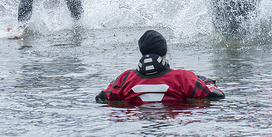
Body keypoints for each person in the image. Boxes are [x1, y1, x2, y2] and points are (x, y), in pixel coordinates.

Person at [96, 30, 225, 103]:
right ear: (165, 53)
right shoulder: (183, 78)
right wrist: (206, 81)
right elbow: (217, 95)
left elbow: (101, 97)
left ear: (142, 52)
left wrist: (114, 82)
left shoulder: (125, 79)